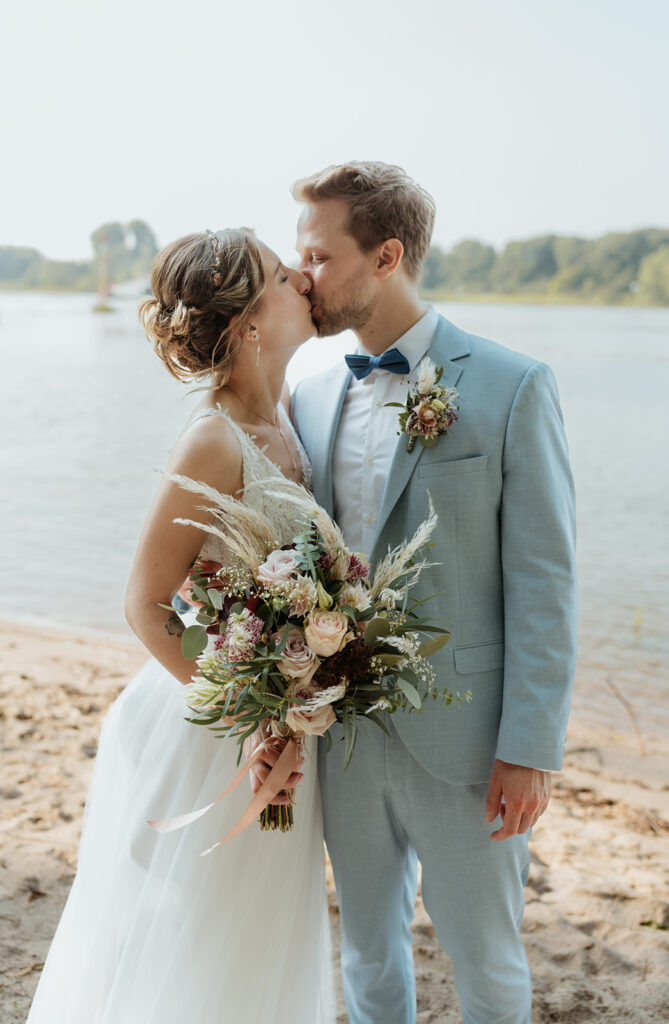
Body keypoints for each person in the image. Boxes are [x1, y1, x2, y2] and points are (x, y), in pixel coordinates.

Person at [289, 161, 578, 1024]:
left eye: (316, 255)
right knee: (367, 953)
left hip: (469, 743)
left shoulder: (511, 385)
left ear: (384, 255)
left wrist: (531, 746)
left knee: (486, 960)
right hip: (340, 734)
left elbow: (545, 580)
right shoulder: (305, 395)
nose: (300, 276)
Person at [26, 229, 335, 1024]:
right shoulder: (213, 437)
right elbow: (145, 600)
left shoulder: (291, 415)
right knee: (194, 944)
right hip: (211, 727)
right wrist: (252, 714)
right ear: (248, 326)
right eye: (278, 274)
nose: (303, 277)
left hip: (277, 721)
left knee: (250, 944)